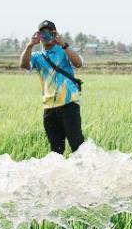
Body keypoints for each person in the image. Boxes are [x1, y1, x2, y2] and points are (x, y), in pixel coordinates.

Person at [19, 19, 85, 155]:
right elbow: (24, 65)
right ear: (39, 36)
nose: (46, 36)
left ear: (55, 35)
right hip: (49, 109)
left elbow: (78, 63)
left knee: (77, 147)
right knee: (55, 151)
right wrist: (30, 45)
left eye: (50, 33)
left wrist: (64, 44)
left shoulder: (63, 51)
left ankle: (82, 174)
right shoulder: (37, 57)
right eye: (43, 34)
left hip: (69, 105)